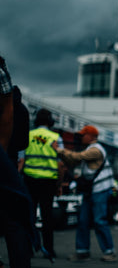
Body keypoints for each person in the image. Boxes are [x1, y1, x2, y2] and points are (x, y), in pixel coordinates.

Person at [1, 55, 36, 268]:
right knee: (15, 222)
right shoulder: (22, 110)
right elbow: (23, 142)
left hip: (4, 158)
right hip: (9, 164)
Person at [55, 125, 116, 262]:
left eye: (83, 135)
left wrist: (59, 149)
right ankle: (82, 251)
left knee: (99, 220)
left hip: (100, 189)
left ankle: (109, 252)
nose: (81, 137)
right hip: (92, 190)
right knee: (83, 220)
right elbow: (73, 160)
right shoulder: (90, 148)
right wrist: (62, 153)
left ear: (92, 136)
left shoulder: (96, 150)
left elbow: (77, 157)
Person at [20, 108, 63, 259]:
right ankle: (49, 249)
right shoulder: (55, 137)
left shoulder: (29, 135)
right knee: (47, 216)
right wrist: (59, 184)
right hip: (48, 181)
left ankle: (28, 248)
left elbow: (21, 160)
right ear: (50, 121)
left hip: (30, 180)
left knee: (29, 215)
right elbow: (60, 164)